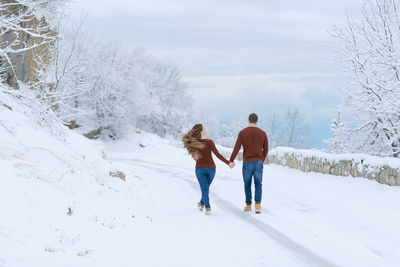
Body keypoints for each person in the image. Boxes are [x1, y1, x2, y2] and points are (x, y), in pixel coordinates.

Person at [182, 124, 232, 215]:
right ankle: (207, 207)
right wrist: (228, 163)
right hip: (211, 169)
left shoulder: (194, 144)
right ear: (201, 131)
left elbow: (195, 158)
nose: (205, 129)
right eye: (204, 128)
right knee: (205, 189)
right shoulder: (210, 142)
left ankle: (202, 203)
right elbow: (218, 155)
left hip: (200, 169)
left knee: (205, 189)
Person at [229, 113, 268, 214]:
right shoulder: (262, 133)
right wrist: (261, 159)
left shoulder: (242, 132)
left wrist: (231, 160)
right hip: (258, 162)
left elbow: (237, 147)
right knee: (258, 183)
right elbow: (266, 149)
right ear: (257, 121)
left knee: (247, 184)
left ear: (248, 120)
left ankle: (248, 205)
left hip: (247, 162)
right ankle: (258, 205)